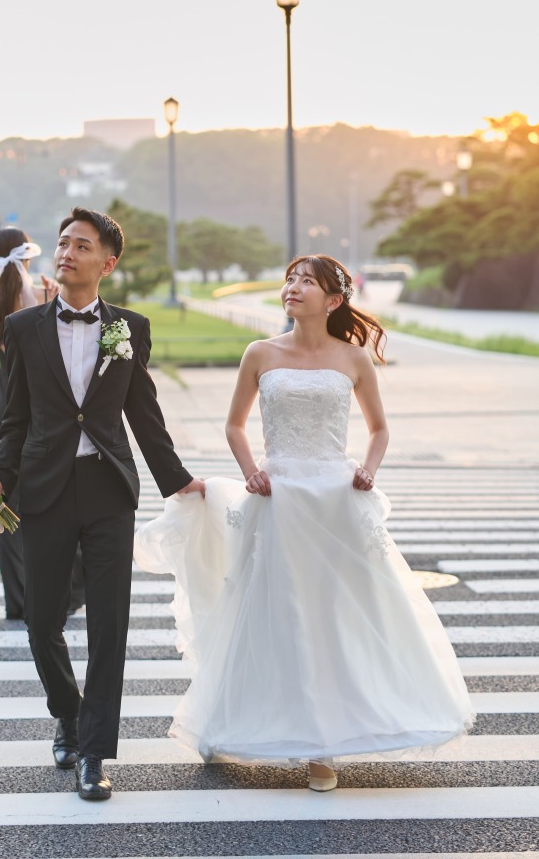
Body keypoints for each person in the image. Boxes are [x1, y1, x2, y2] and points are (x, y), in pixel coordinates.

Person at [135, 253, 474, 792]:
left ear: (334, 300)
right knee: (272, 611)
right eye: (291, 279)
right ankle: (235, 723)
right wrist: (252, 473)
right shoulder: (260, 352)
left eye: (307, 282)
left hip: (337, 498)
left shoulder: (354, 358)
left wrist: (368, 468)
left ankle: (325, 745)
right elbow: (234, 426)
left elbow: (380, 430)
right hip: (279, 494)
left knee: (337, 613)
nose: (293, 287)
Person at [0, 206, 205, 801]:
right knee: (40, 623)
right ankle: (68, 712)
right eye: (62, 243)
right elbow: (14, 416)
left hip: (110, 488)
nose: (66, 253)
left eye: (81, 245)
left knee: (110, 626)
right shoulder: (24, 328)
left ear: (107, 263)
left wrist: (177, 479)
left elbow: (144, 410)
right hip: (44, 488)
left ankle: (93, 751)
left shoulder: (129, 328)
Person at [0, 226, 84, 620]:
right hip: (39, 404)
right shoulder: (44, 297)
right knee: (55, 494)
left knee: (5, 499)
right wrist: (55, 300)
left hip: (5, 401)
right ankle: (64, 591)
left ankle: (18, 599)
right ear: (26, 255)